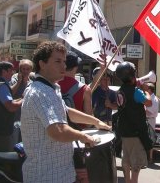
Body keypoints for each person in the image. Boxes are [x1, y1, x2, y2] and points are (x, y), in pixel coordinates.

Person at [20, 41, 111, 183]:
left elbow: (67, 111)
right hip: (47, 176)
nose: (63, 65)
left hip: (60, 173)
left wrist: (95, 121)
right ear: (42, 64)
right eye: (57, 61)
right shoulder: (41, 92)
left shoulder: (50, 88)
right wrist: (85, 137)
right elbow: (58, 131)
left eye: (64, 61)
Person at [115, 61, 152, 183]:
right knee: (136, 164)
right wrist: (147, 90)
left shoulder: (119, 91)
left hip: (124, 132)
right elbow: (148, 102)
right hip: (136, 133)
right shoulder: (136, 91)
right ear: (132, 76)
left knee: (126, 161)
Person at [0, 61, 22, 151]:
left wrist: (20, 99)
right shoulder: (1, 86)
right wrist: (25, 99)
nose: (13, 73)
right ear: (4, 71)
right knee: (3, 159)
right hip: (1, 132)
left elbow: (4, 102)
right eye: (11, 71)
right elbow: (10, 107)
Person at [58, 51, 93, 117]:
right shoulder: (85, 89)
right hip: (76, 127)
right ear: (76, 67)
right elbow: (88, 122)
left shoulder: (51, 85)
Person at [9, 59, 34, 144]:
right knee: (15, 140)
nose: (25, 71)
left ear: (31, 70)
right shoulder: (15, 78)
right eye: (23, 69)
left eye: (28, 69)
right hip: (15, 116)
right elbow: (11, 93)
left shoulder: (32, 80)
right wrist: (19, 82)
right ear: (20, 69)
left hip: (27, 116)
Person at [143, 82, 158, 163]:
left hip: (150, 120)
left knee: (150, 139)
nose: (145, 90)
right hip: (147, 119)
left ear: (150, 90)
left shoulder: (154, 99)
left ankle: (150, 158)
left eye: (147, 88)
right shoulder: (148, 98)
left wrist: (143, 110)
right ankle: (146, 157)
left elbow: (150, 112)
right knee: (146, 138)